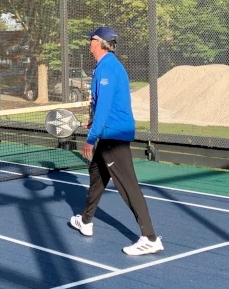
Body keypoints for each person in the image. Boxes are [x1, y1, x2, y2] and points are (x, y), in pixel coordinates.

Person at [70, 27, 164, 256]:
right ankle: (86, 220)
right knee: (97, 175)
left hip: (113, 137)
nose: (89, 43)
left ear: (99, 43)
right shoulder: (104, 67)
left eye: (91, 39)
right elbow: (104, 105)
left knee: (128, 186)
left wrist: (91, 139)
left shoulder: (108, 68)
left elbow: (104, 107)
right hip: (109, 132)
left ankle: (149, 238)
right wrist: (93, 122)